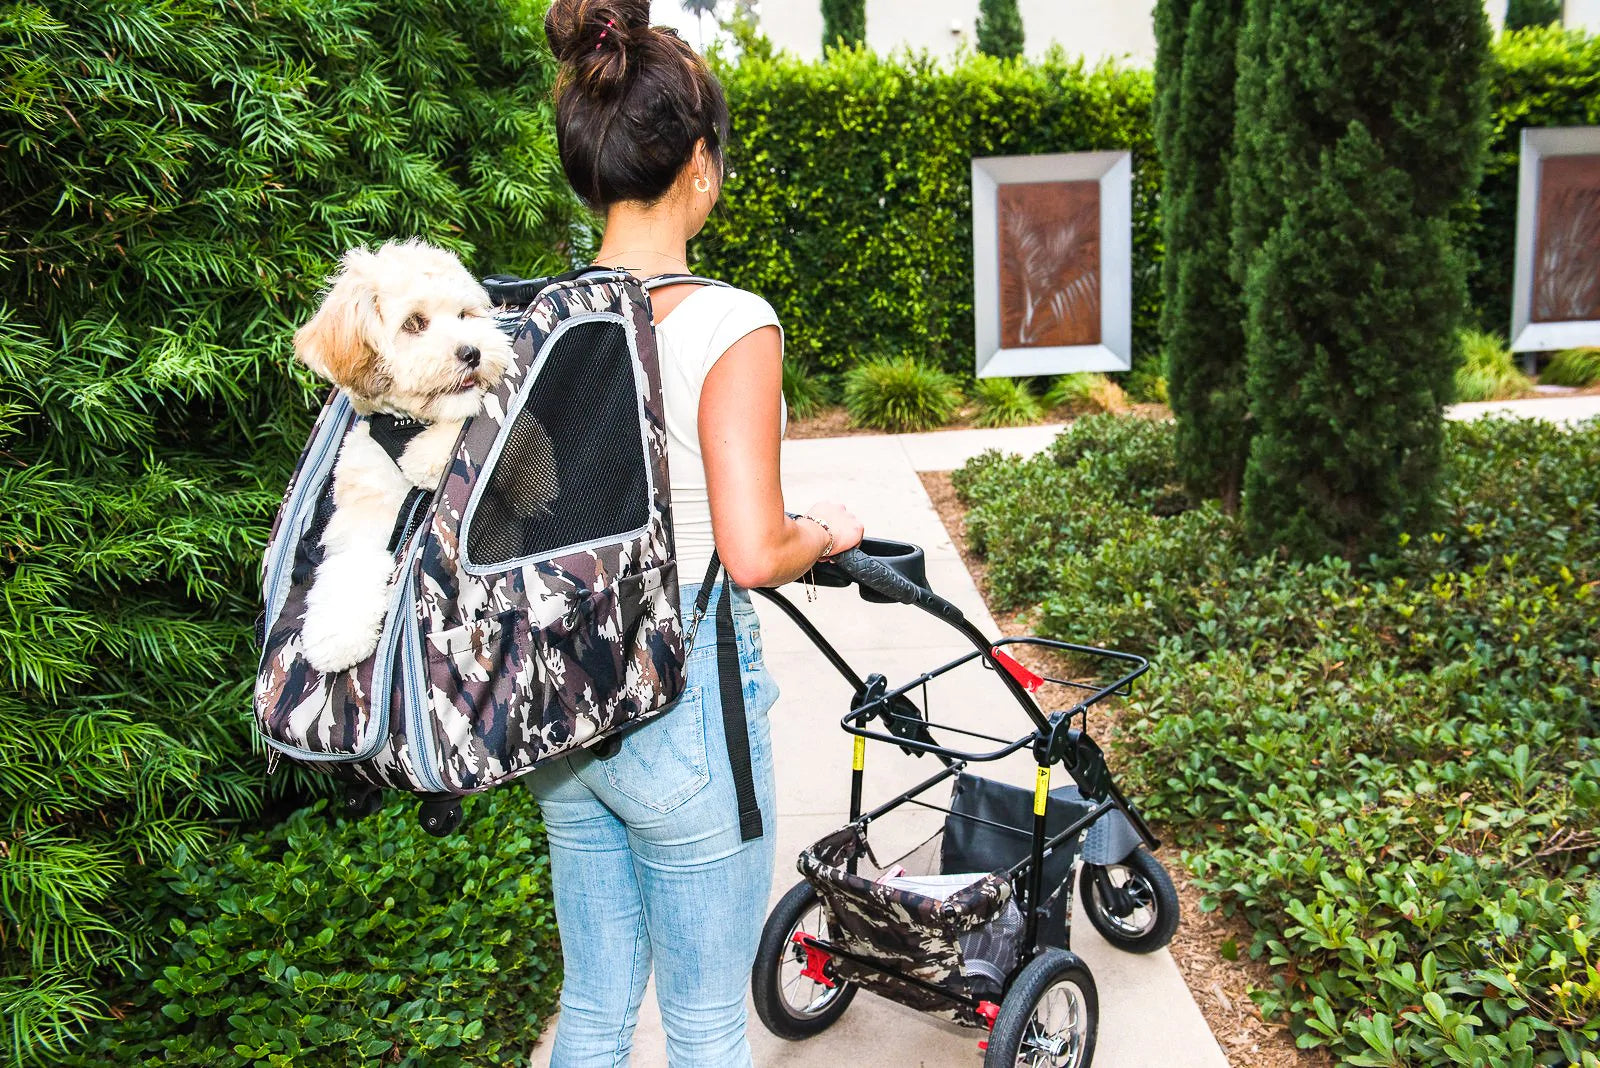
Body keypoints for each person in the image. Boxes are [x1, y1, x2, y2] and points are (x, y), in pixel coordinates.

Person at [525, 2, 865, 1065]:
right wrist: (827, 530)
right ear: (701, 166)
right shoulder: (730, 320)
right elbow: (754, 550)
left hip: (564, 709)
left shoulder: (537, 316)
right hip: (681, 708)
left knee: (593, 1010)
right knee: (708, 1026)